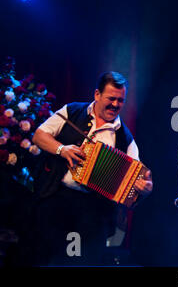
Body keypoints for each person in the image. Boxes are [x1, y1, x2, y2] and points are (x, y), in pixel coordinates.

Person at [28, 71, 153, 266]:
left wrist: (144, 189)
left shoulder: (125, 139)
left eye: (120, 100)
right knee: (47, 259)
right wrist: (62, 149)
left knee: (85, 262)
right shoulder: (71, 111)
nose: (115, 104)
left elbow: (137, 179)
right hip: (55, 199)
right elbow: (39, 135)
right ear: (97, 94)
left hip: (94, 212)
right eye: (111, 98)